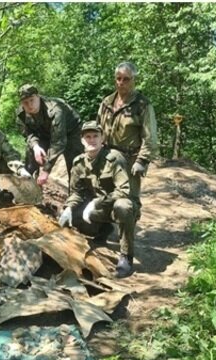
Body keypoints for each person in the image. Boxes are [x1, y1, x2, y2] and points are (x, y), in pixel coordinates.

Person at [59, 121, 136, 277]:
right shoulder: (78, 162)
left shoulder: (114, 158)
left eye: (95, 136)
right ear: (82, 140)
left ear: (102, 139)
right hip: (97, 209)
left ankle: (126, 256)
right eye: (88, 137)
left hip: (115, 205)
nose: (92, 140)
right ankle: (103, 230)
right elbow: (77, 192)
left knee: (123, 207)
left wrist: (96, 202)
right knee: (72, 217)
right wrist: (68, 207)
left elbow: (124, 190)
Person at [96, 61, 158, 214]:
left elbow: (150, 136)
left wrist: (142, 161)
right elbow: (98, 128)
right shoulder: (107, 102)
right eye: (118, 78)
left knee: (128, 204)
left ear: (133, 80)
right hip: (107, 158)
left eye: (126, 79)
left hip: (129, 161)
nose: (121, 82)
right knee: (104, 197)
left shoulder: (142, 104)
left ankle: (127, 237)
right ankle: (104, 234)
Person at [15, 84, 83, 188]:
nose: (29, 105)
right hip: (44, 133)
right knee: (30, 154)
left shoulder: (56, 109)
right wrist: (36, 147)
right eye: (25, 102)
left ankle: (78, 196)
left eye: (32, 100)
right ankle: (29, 188)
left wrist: (46, 170)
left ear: (38, 96)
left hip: (71, 132)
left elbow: (58, 142)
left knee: (75, 164)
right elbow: (28, 134)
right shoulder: (21, 114)